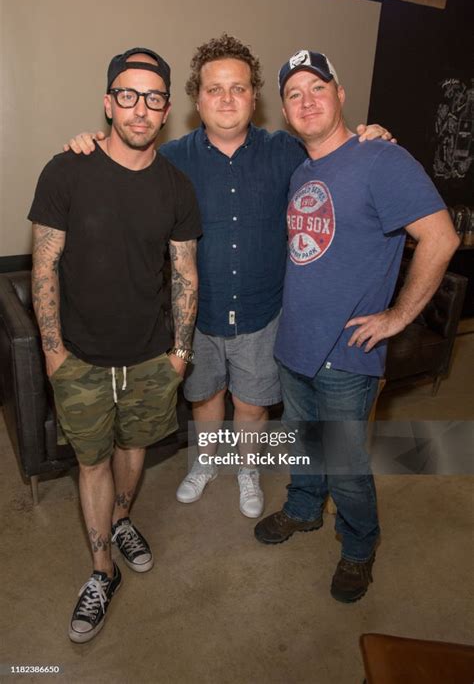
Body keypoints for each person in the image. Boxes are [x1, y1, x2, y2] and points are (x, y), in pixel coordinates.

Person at [64, 34, 392, 519]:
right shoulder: (169, 158)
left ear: (254, 98)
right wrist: (87, 144)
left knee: (253, 403)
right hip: (196, 314)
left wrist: (374, 137)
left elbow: (336, 147)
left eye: (237, 88)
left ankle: (246, 469)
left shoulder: (287, 151)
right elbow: (120, 159)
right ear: (196, 99)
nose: (226, 99)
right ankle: (206, 461)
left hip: (263, 309)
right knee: (204, 396)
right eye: (215, 89)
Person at [254, 50, 460, 602]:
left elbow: (442, 239)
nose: (306, 100)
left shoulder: (381, 160)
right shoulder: (304, 169)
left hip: (346, 352)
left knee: (345, 465)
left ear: (340, 94)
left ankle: (359, 546)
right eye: (293, 93)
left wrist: (396, 318)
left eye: (317, 87)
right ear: (286, 111)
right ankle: (303, 511)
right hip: (295, 341)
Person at [29, 47, 201, 643]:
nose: (140, 108)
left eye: (153, 98)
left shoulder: (177, 187)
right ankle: (103, 571)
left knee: (135, 450)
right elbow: (44, 265)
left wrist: (180, 352)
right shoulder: (65, 170)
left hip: (153, 358)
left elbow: (184, 272)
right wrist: (52, 351)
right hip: (78, 358)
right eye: (127, 95)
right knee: (92, 460)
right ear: (108, 102)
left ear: (166, 110)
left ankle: (123, 519)